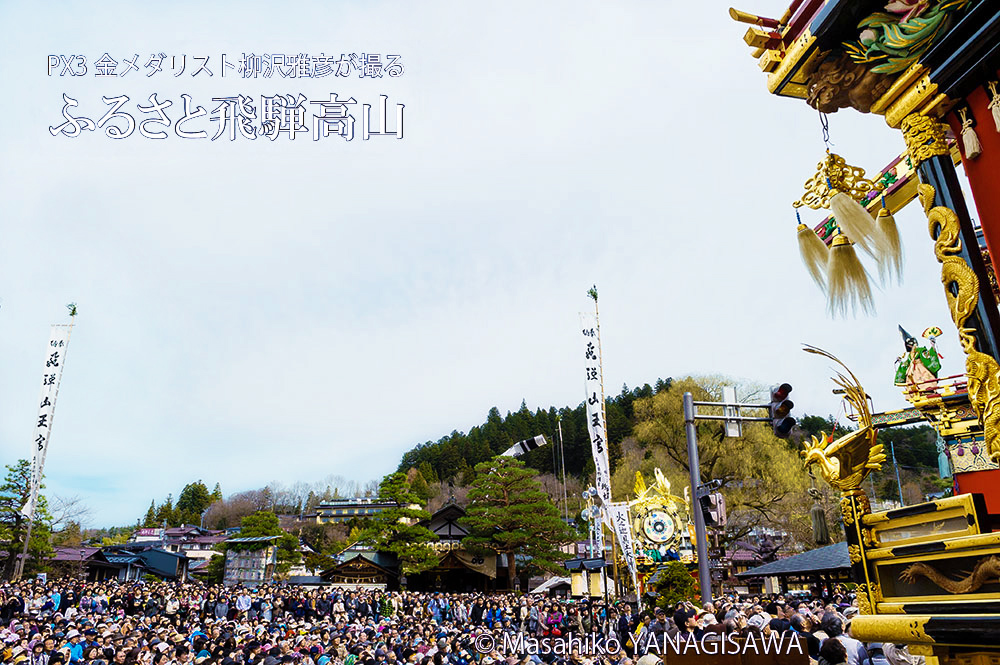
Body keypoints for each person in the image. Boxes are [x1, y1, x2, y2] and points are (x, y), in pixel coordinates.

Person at [894, 326, 941, 391]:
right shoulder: (910, 356)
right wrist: (901, 362)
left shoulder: (920, 350)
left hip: (921, 369)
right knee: (913, 382)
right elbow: (906, 364)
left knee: (926, 381)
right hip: (912, 371)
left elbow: (927, 356)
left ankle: (928, 389)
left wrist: (932, 346)